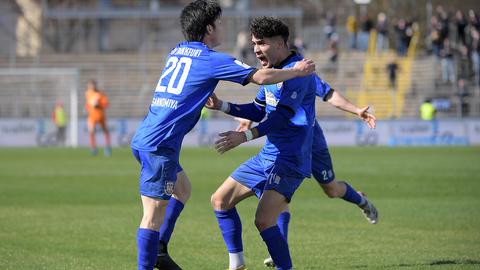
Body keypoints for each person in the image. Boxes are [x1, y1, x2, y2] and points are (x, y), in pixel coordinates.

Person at [129, 2, 315, 270]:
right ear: (209, 28)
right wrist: (297, 70)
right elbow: (261, 79)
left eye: (260, 43)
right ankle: (152, 256)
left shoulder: (177, 52)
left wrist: (225, 107)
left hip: (145, 136)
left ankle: (162, 250)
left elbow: (275, 112)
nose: (224, 27)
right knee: (151, 218)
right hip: (161, 144)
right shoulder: (212, 59)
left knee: (184, 190)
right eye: (221, 22)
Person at [222, 66, 378, 269]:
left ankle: (362, 201)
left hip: (312, 142)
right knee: (276, 193)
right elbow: (262, 106)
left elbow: (329, 94)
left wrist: (357, 110)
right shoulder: (269, 75)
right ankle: (280, 249)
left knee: (331, 189)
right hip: (285, 150)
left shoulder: (301, 74)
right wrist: (247, 120)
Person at [205, 16, 317, 270]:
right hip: (269, 155)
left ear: (280, 44)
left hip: (291, 159)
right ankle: (237, 264)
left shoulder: (299, 71)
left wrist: (244, 137)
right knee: (219, 200)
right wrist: (222, 105)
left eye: (261, 43)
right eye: (254, 43)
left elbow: (282, 116)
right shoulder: (273, 73)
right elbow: (258, 110)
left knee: (264, 220)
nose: (255, 49)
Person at [84, 79, 111, 156]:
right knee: (91, 132)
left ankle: (107, 148)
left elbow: (106, 104)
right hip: (92, 117)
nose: (91, 87)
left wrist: (99, 105)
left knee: (105, 132)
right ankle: (93, 148)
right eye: (89, 85)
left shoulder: (100, 94)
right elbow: (88, 104)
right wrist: (87, 107)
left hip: (101, 115)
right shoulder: (88, 94)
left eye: (92, 85)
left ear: (95, 85)